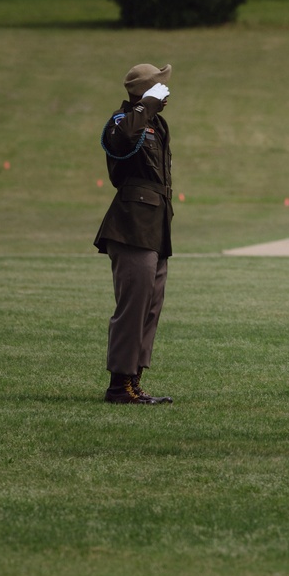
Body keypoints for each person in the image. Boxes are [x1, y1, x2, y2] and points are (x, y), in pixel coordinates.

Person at [94, 62, 176, 405]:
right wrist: (144, 106)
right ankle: (119, 386)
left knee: (150, 306)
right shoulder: (122, 120)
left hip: (154, 225)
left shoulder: (156, 123)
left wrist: (150, 111)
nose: (167, 93)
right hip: (131, 225)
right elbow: (123, 139)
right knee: (132, 306)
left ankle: (134, 380)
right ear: (146, 92)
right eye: (161, 88)